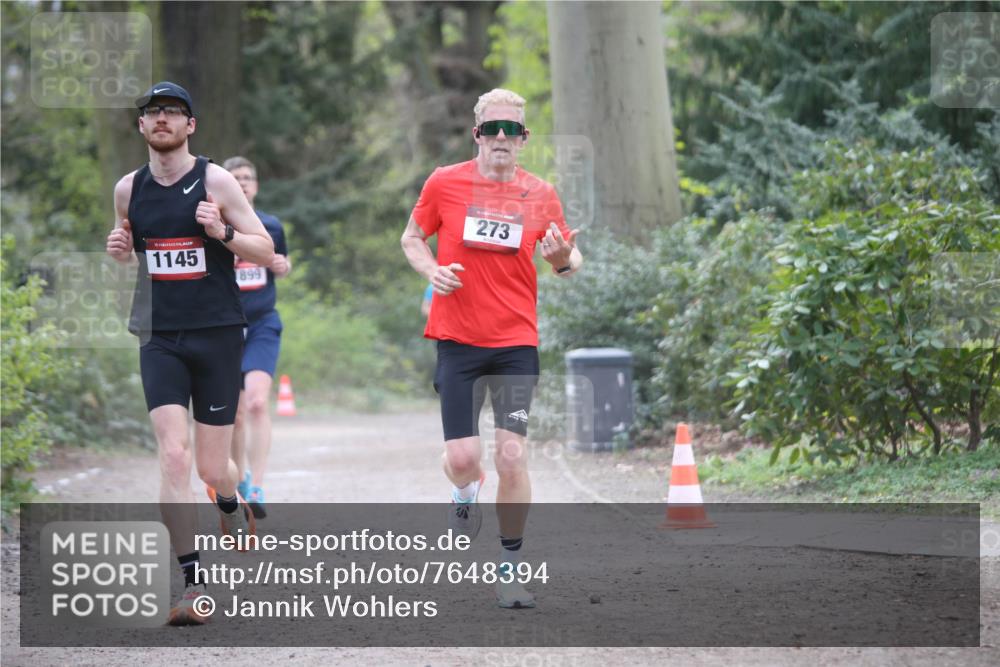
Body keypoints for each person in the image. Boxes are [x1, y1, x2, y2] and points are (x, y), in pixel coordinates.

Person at [400, 88, 582, 609]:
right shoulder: (445, 182)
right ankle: (462, 491)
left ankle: (510, 568)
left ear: (524, 139)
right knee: (463, 458)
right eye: (492, 129)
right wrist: (431, 270)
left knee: (511, 455)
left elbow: (569, 259)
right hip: (457, 339)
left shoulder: (541, 193)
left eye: (512, 130)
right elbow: (412, 238)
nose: (501, 138)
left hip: (515, 343)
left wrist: (565, 257)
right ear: (477, 133)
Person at [105, 82, 274, 625]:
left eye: (173, 113)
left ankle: (229, 501)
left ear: (190, 126)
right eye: (153, 112)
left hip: (218, 333)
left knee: (210, 466)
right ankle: (192, 585)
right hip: (158, 335)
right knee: (174, 456)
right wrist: (120, 249)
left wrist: (221, 230)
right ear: (141, 126)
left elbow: (265, 250)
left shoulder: (216, 179)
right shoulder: (128, 189)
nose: (162, 120)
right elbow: (132, 248)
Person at [222, 156, 291, 520]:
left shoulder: (271, 225)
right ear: (226, 185)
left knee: (258, 404)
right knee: (233, 415)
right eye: (237, 178)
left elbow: (282, 262)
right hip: (226, 327)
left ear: (256, 185)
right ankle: (240, 481)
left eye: (249, 177)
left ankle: (259, 486)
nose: (244, 183)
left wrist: (282, 265)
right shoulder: (214, 227)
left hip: (263, 322)